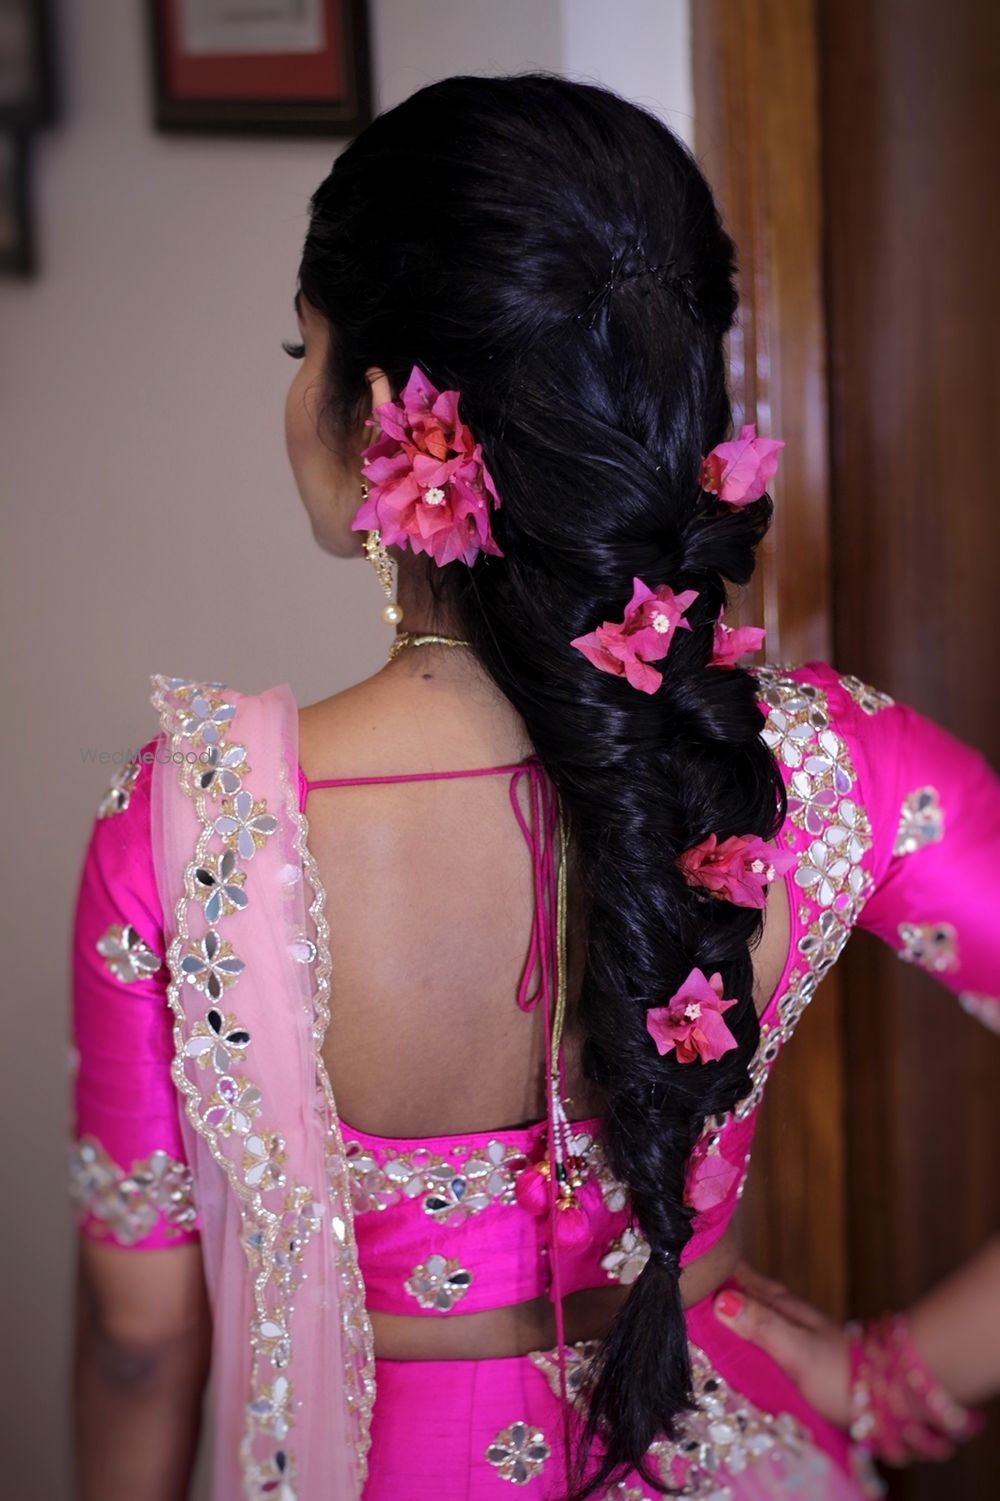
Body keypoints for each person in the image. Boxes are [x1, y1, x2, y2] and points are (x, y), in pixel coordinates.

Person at [68, 74, 999, 1501]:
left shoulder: (191, 829)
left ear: (385, 413)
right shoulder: (824, 765)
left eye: (296, 345)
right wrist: (903, 1376)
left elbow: (140, 1344)